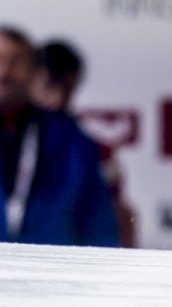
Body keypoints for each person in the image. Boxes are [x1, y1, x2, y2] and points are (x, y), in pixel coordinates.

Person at [0, 26, 118, 246]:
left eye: (16, 62)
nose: (5, 72)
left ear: (34, 72)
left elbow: (97, 223)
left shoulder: (72, 141)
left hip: (48, 271)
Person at [30, 39, 137, 247]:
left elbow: (115, 212)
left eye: (67, 89)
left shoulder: (94, 151)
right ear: (29, 81)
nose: (57, 99)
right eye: (49, 86)